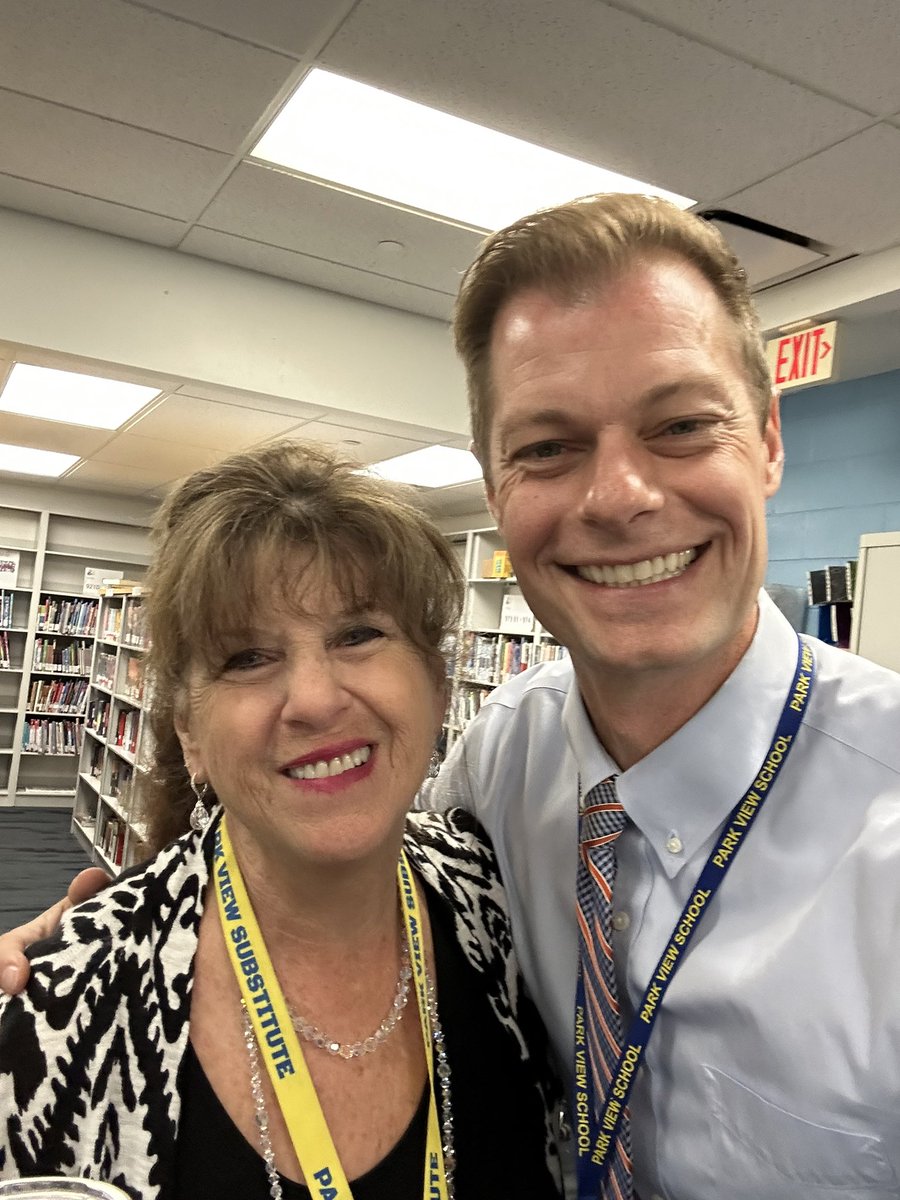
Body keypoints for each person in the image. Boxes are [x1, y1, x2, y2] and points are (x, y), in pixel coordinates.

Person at [5, 194, 900, 1198]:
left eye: (682, 425)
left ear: (769, 441)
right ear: (496, 483)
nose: (620, 496)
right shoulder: (500, 770)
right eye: (549, 446)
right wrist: (83, 947)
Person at [0, 440, 563, 1199]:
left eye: (358, 635)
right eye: (248, 658)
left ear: (436, 684)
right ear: (190, 734)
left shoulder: (492, 897)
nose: (316, 701)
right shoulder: (64, 1008)